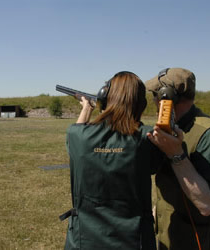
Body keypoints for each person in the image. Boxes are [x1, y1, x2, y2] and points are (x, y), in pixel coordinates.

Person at [60, 71, 165, 250]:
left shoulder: (77, 135)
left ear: (104, 98)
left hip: (83, 240)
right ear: (142, 104)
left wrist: (86, 108)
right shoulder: (148, 138)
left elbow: (76, 136)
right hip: (134, 239)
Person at [145, 67, 210, 250]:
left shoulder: (209, 134)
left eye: (156, 95)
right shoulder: (169, 128)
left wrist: (177, 155)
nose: (154, 101)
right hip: (170, 235)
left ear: (168, 97)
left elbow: (207, 205)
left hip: (199, 240)